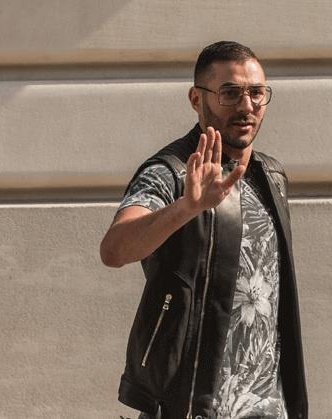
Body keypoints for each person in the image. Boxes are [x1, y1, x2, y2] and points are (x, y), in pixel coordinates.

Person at [100, 41, 307, 419]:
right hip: (192, 403)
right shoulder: (172, 172)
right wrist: (187, 207)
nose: (246, 106)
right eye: (230, 93)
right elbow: (115, 249)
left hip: (269, 405)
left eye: (256, 93)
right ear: (197, 99)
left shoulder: (271, 176)